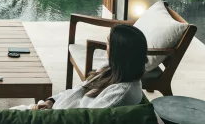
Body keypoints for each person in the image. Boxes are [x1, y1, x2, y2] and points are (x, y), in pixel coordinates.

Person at [17, 24, 148, 111]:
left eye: (109, 43)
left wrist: (44, 115)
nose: (106, 47)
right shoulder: (110, 69)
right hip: (52, 109)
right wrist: (50, 101)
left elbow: (82, 119)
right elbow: (78, 90)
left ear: (119, 52)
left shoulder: (120, 95)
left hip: (53, 123)